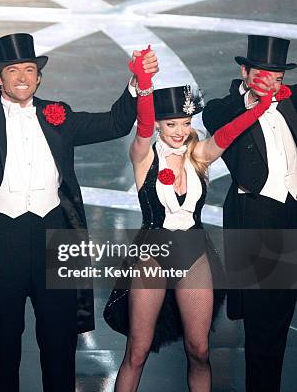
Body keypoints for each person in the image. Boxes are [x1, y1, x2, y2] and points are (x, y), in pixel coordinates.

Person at [0, 32, 158, 391]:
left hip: (55, 236)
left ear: (39, 77)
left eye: (29, 69)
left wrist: (137, 83)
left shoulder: (60, 115)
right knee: (2, 348)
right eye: (13, 70)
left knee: (60, 346)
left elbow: (115, 124)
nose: (23, 77)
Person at [104, 43, 282, 391]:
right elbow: (141, 126)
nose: (179, 131)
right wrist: (144, 83)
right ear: (158, 125)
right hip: (152, 254)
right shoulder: (144, 156)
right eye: (171, 124)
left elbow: (226, 137)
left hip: (194, 251)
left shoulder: (196, 154)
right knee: (137, 351)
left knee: (199, 350)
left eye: (185, 123)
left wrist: (259, 108)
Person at [202, 34, 297, 392]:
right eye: (261, 73)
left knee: (282, 319)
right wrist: (254, 102)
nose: (270, 81)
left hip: (293, 213)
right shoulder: (223, 108)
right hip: (256, 217)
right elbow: (221, 121)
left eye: (277, 75)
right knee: (261, 324)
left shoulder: (291, 102)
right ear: (244, 71)